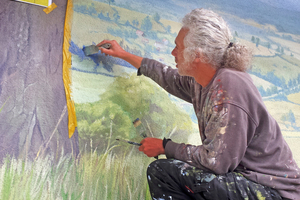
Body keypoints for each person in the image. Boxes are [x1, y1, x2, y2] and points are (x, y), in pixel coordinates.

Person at [97, 8, 300, 200]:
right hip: (248, 183)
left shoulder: (228, 87)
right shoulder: (203, 81)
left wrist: (164, 146)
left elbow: (215, 162)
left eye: (178, 46)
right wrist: (124, 55)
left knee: (162, 171)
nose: (173, 52)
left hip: (272, 192)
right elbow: (168, 77)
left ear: (197, 56)